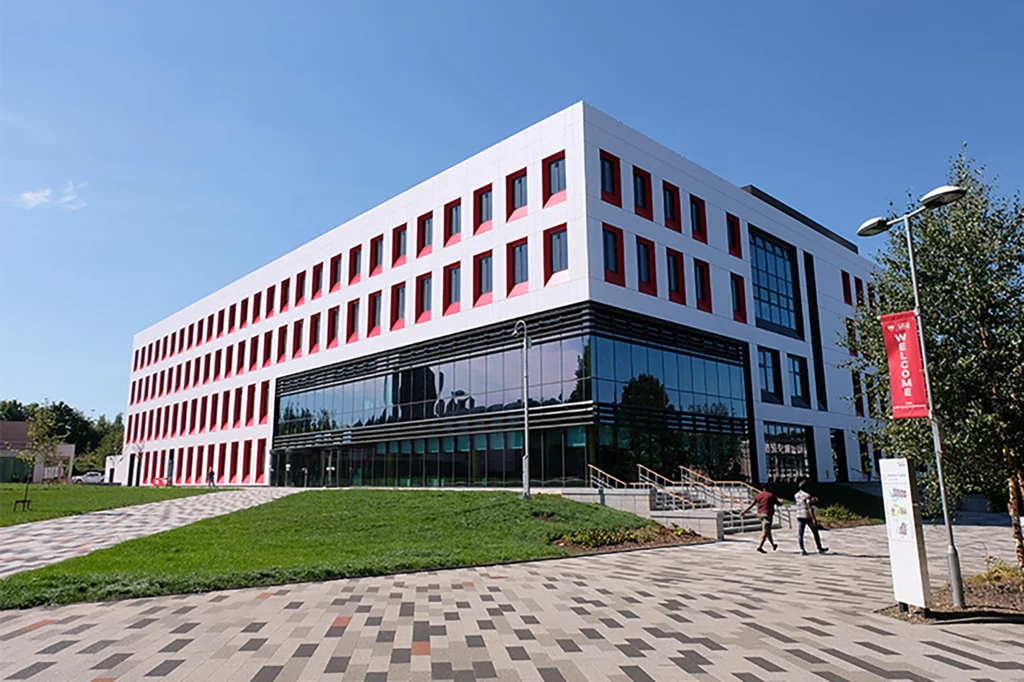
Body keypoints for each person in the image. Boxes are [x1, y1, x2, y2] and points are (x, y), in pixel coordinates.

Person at [741, 483, 779, 553]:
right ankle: (760, 547)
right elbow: (778, 503)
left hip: (760, 514)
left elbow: (752, 504)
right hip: (767, 514)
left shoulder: (758, 496)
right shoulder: (771, 495)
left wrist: (744, 511)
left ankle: (773, 545)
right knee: (765, 531)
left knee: (768, 530)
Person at [795, 480, 828, 555]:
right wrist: (813, 518)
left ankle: (802, 549)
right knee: (815, 532)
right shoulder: (807, 495)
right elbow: (809, 506)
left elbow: (803, 502)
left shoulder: (796, 495)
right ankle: (819, 548)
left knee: (801, 533)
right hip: (806, 515)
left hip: (799, 514)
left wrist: (811, 501)